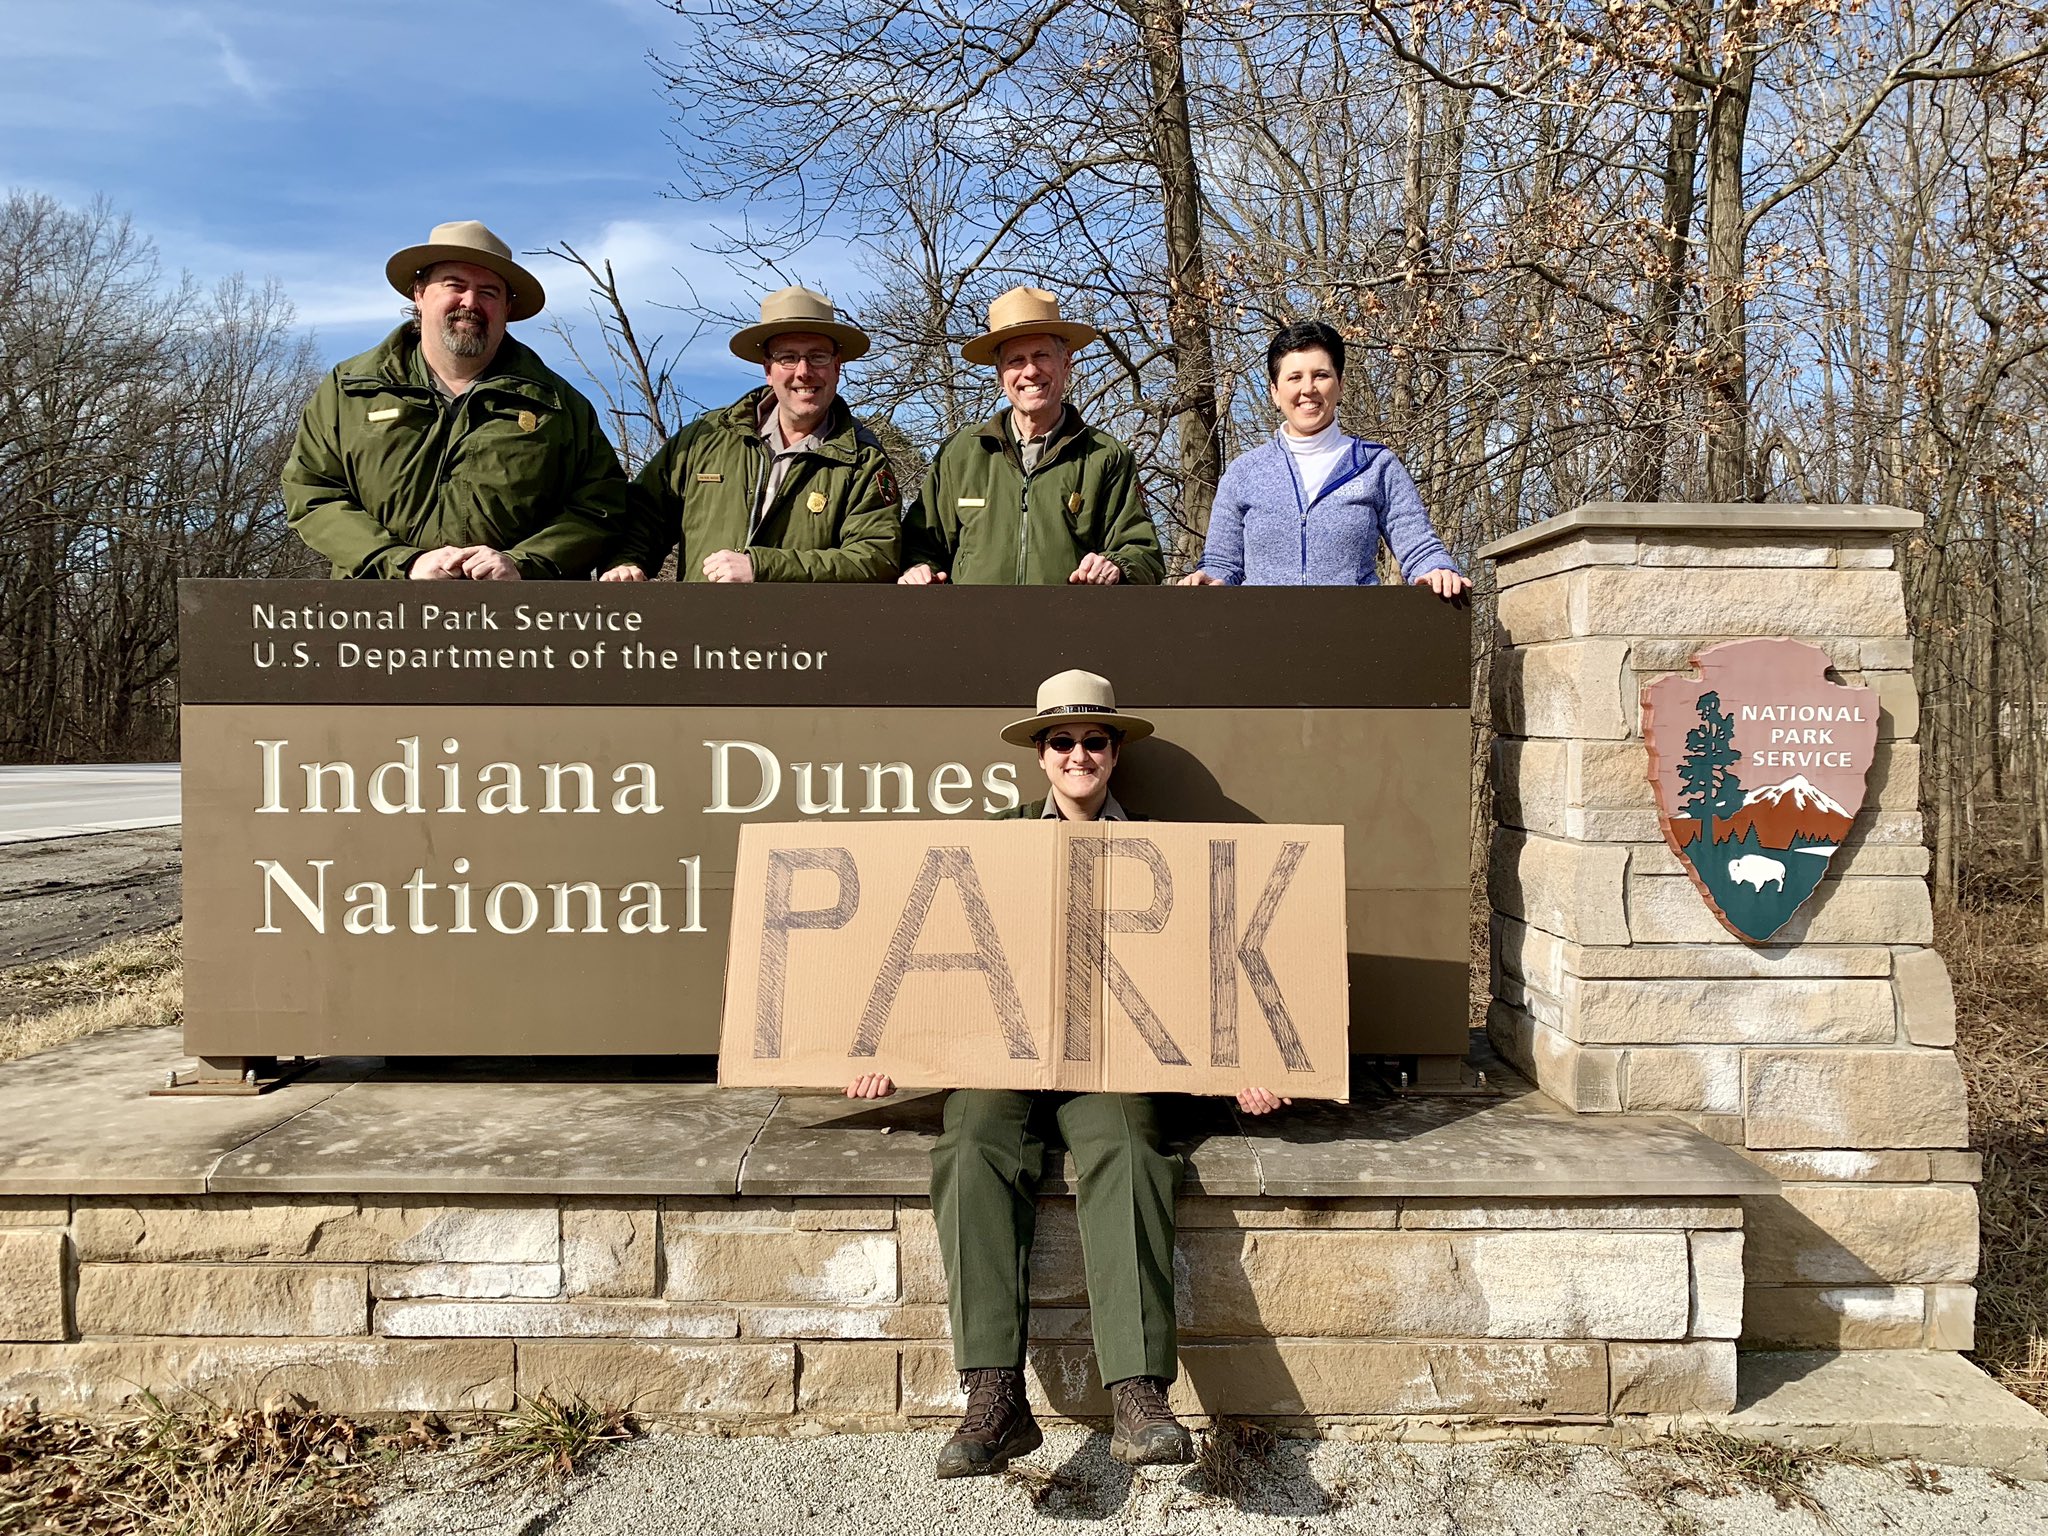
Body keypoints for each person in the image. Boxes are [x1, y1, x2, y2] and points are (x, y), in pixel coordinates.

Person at [846, 670, 1289, 1479]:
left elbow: (1206, 970)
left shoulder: (1165, 850)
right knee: (971, 1139)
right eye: (1062, 741)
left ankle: (1139, 1394)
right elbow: (936, 953)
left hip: (1112, 1059)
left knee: (1128, 1146)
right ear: (1042, 757)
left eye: (1093, 739)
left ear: (1115, 752)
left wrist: (1243, 1063)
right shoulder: (995, 839)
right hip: (1002, 1052)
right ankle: (992, 1394)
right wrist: (888, 1047)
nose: (1078, 753)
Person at [284, 220, 632, 580]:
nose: (470, 302)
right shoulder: (350, 390)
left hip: (517, 624)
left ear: (508, 309)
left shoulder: (558, 406)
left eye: (488, 292)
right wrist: (402, 562)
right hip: (376, 620)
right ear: (419, 293)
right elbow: (312, 492)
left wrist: (523, 563)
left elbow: (601, 506)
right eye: (455, 286)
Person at [602, 287, 899, 583]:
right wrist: (627, 561)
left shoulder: (863, 460)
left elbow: (876, 557)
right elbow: (644, 515)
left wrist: (763, 567)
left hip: (804, 630)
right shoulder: (704, 440)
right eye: (788, 358)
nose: (804, 371)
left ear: (837, 367)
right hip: (700, 627)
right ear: (768, 369)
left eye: (818, 357)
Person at [1180, 320, 1471, 596]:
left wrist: (1437, 569)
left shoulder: (1377, 465)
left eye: (1320, 375)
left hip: (1355, 637)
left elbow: (1419, 545)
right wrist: (1209, 578)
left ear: (1340, 384)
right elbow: (1222, 563)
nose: (1308, 389)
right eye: (1294, 377)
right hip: (1264, 639)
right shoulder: (1244, 472)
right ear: (1275, 392)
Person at [898, 288, 1163, 587]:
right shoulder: (959, 454)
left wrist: (1116, 566)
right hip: (973, 630)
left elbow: (1145, 555)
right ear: (1000, 375)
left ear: (1066, 364)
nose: (1031, 371)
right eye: (1016, 361)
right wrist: (917, 568)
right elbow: (918, 545)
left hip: (1071, 630)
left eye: (1041, 356)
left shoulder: (1106, 456)